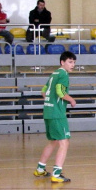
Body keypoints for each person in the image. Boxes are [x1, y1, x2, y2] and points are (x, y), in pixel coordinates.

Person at [33, 51, 77, 183]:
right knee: (64, 142)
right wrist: (71, 100)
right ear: (62, 62)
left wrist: (50, 102)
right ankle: (56, 174)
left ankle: (40, 169)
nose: (72, 65)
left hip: (48, 112)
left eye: (74, 62)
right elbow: (60, 92)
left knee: (53, 141)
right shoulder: (63, 74)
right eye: (70, 62)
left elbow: (43, 91)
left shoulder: (54, 73)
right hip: (57, 113)